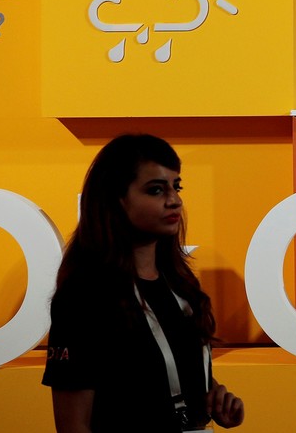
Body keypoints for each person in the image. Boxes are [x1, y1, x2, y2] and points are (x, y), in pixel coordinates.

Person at [43, 134, 245, 432]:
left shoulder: (181, 284)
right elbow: (73, 426)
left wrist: (214, 399)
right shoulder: (85, 296)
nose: (174, 200)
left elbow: (166, 374)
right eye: (156, 190)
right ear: (116, 199)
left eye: (176, 186)